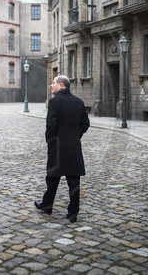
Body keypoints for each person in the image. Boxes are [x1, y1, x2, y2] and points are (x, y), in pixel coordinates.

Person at [35, 75, 90, 223]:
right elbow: (85, 123)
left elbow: (51, 125)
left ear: (62, 86)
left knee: (52, 178)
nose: (51, 86)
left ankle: (47, 205)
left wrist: (50, 140)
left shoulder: (54, 102)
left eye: (53, 83)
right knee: (74, 181)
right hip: (73, 147)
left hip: (57, 147)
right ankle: (73, 213)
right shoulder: (79, 102)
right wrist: (75, 136)